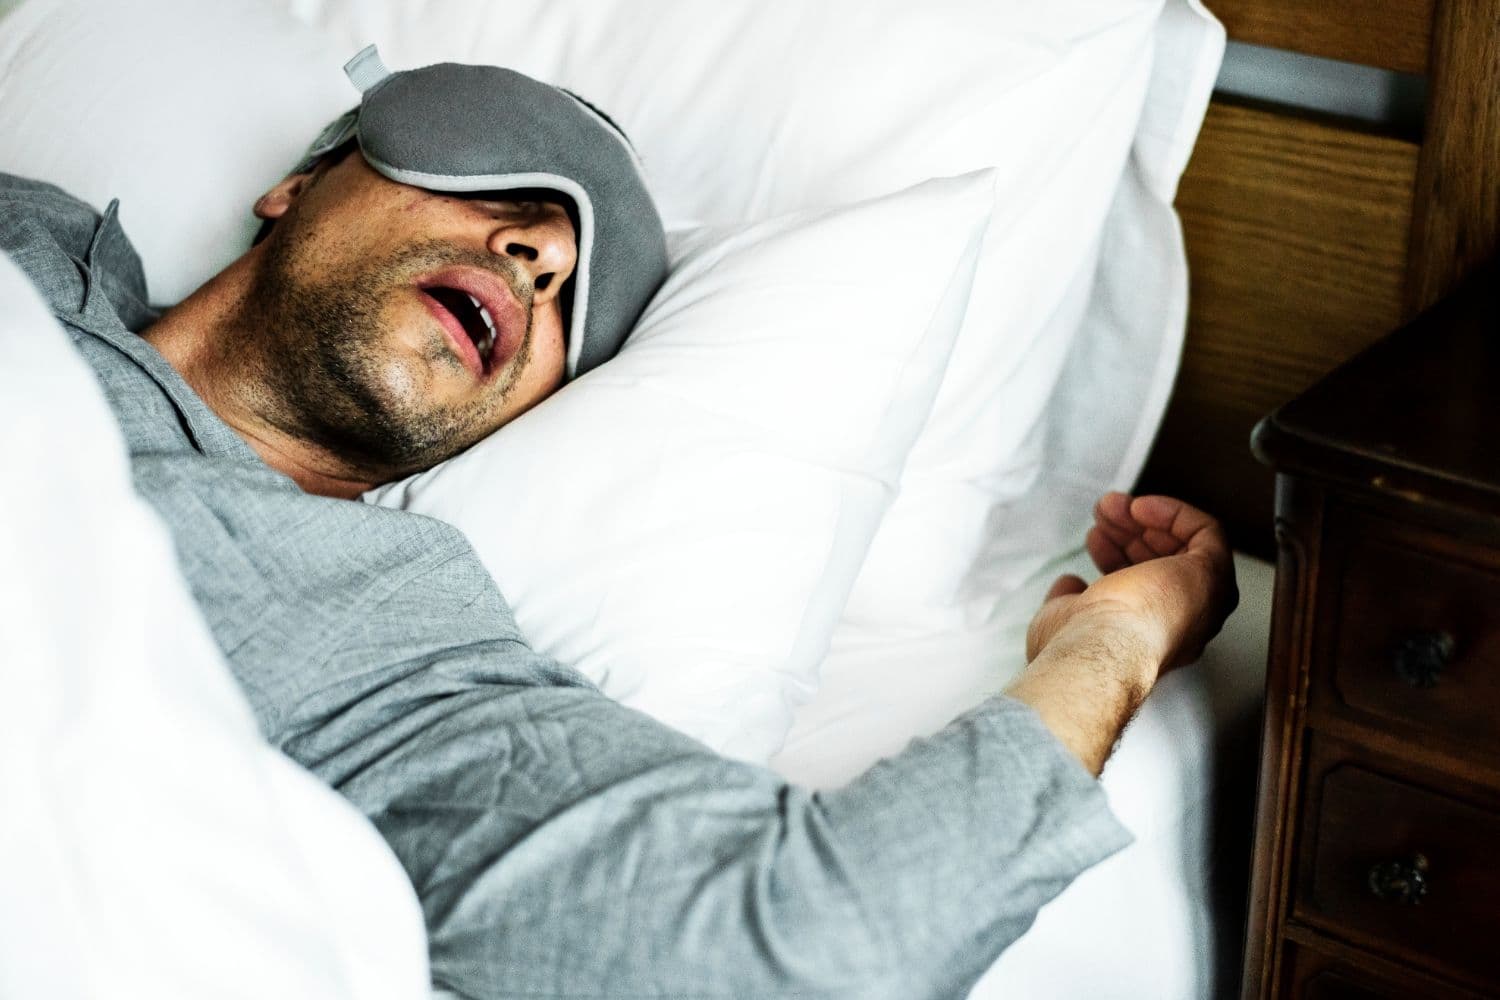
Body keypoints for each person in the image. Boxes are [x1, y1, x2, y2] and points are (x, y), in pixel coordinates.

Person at [0, 49, 1236, 1000]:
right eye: (506, 177)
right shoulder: (32, 242)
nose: (539, 255)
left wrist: (1114, 643)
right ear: (296, 186)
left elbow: (825, 942)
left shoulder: (389, 638)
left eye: (583, 294)